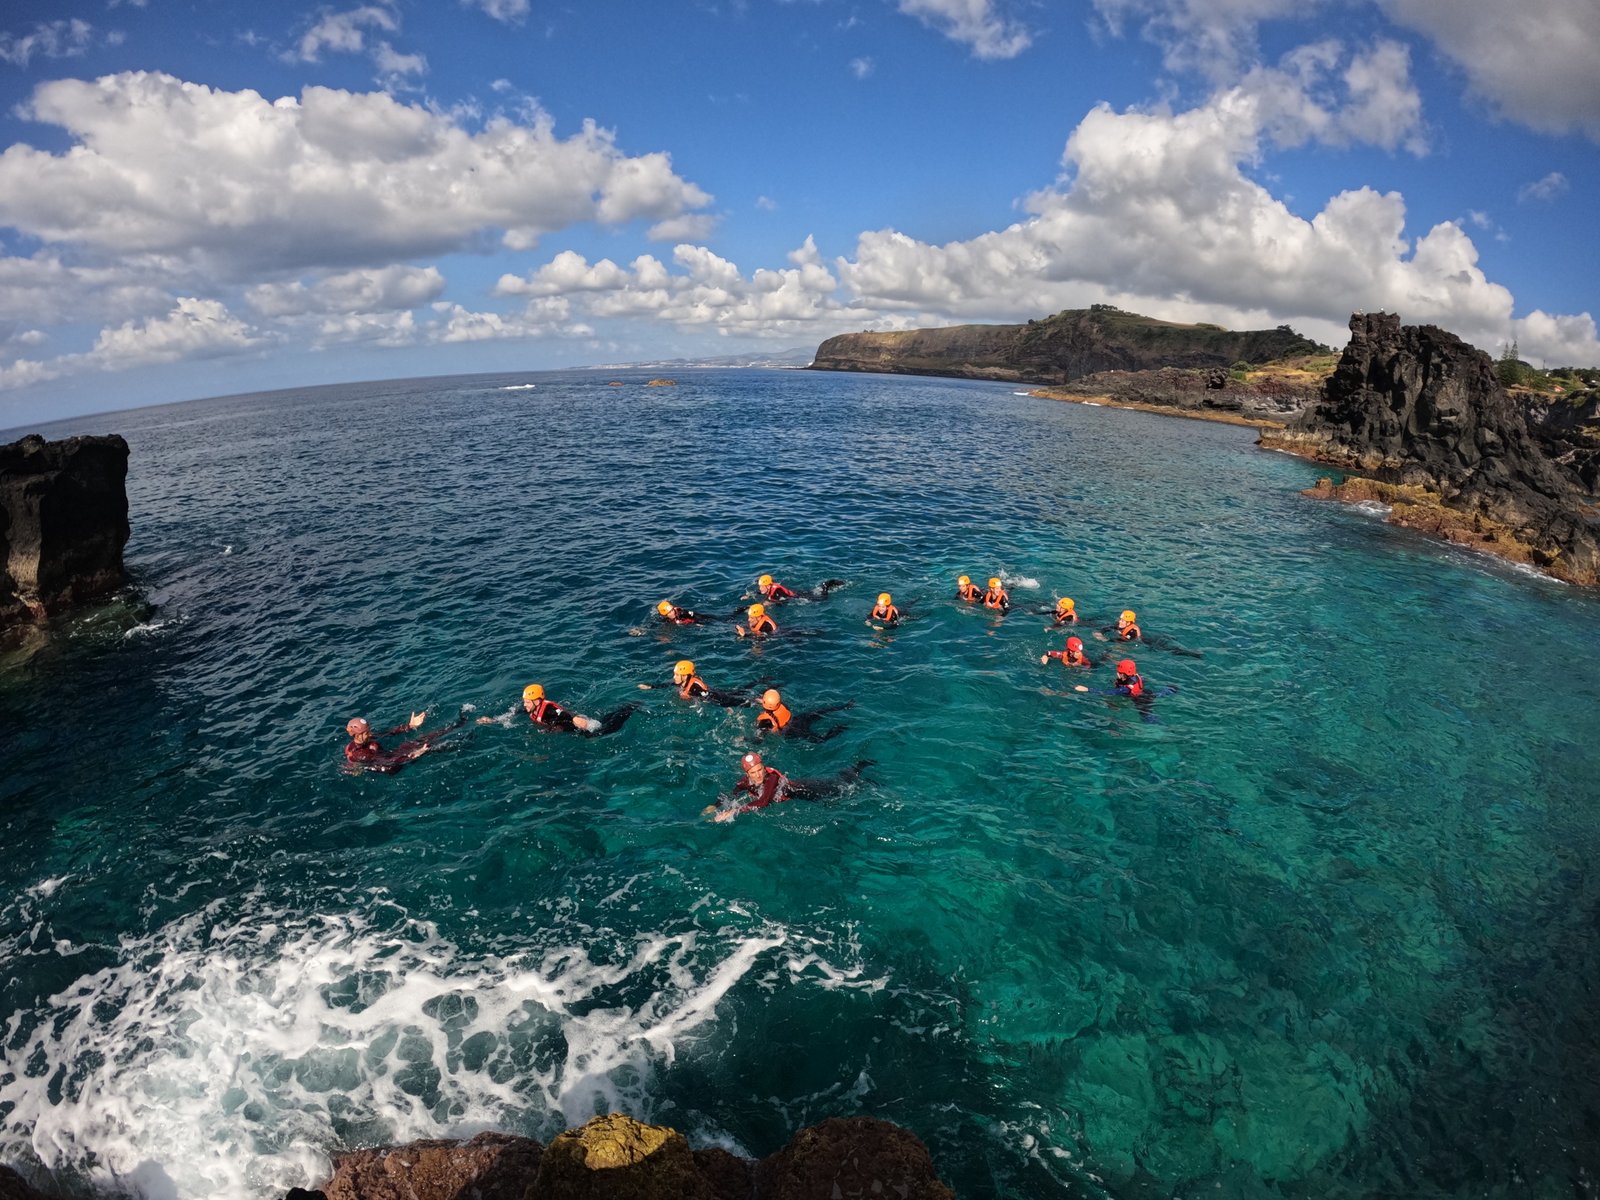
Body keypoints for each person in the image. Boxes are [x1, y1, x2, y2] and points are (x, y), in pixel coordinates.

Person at [703, 751, 872, 822]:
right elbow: (732, 793)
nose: (759, 775)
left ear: (764, 768)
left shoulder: (772, 778)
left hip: (808, 790)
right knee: (841, 785)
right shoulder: (744, 782)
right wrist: (715, 806)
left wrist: (734, 811)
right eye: (753, 773)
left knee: (845, 788)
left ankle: (860, 771)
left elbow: (763, 802)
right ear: (747, 774)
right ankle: (855, 770)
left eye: (760, 770)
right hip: (804, 790)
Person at [343, 709, 466, 773]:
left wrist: (410, 726)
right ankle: (463, 741)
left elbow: (390, 732)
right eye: (366, 733)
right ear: (356, 734)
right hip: (392, 767)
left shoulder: (368, 738)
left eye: (369, 731)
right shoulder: (359, 753)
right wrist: (413, 755)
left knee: (422, 740)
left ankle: (457, 725)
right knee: (428, 748)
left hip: (392, 755)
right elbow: (387, 762)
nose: (370, 734)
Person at [495, 683, 637, 736]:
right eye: (524, 701)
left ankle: (629, 709)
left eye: (527, 702)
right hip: (562, 727)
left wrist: (575, 718)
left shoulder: (549, 709)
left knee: (602, 730)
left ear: (537, 701)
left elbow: (564, 714)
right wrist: (494, 720)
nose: (524, 705)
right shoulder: (531, 708)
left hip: (578, 727)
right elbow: (515, 713)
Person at [639, 660, 754, 707]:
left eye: (677, 675)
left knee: (739, 700)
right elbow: (667, 684)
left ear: (685, 676)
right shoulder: (681, 681)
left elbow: (711, 697)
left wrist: (726, 707)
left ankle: (755, 700)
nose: (674, 677)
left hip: (717, 696)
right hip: (713, 691)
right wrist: (651, 686)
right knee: (738, 691)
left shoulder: (695, 688)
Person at [754, 688, 852, 742]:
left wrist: (747, 739)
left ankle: (838, 729)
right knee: (821, 712)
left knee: (821, 740)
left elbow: (759, 740)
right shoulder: (782, 705)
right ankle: (845, 706)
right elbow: (772, 704)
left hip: (792, 731)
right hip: (799, 719)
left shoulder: (765, 721)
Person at [756, 573, 846, 602]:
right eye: (760, 587)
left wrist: (770, 602)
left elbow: (783, 601)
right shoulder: (771, 587)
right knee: (814, 591)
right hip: (796, 592)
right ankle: (826, 586)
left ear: (768, 585)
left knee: (823, 598)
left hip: (799, 597)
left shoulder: (777, 591)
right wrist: (751, 594)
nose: (760, 589)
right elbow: (765, 593)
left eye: (762, 587)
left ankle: (826, 585)